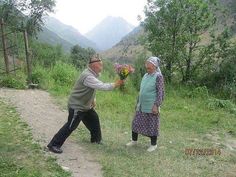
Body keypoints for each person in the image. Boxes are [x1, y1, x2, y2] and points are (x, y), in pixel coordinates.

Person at [47, 55, 124, 153]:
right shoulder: (88, 76)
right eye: (100, 65)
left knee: (94, 119)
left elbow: (92, 88)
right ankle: (53, 144)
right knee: (71, 126)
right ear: (94, 66)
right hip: (77, 106)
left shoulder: (93, 74)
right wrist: (116, 84)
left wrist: (93, 99)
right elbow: (102, 86)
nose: (102, 67)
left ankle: (96, 140)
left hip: (86, 106)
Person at [126, 56, 164, 152]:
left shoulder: (158, 76)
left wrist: (157, 105)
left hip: (151, 106)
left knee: (152, 125)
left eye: (149, 68)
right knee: (135, 123)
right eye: (147, 67)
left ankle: (153, 144)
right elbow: (141, 90)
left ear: (155, 66)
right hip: (141, 105)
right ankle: (134, 140)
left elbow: (160, 92)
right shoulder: (145, 75)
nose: (148, 69)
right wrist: (137, 102)